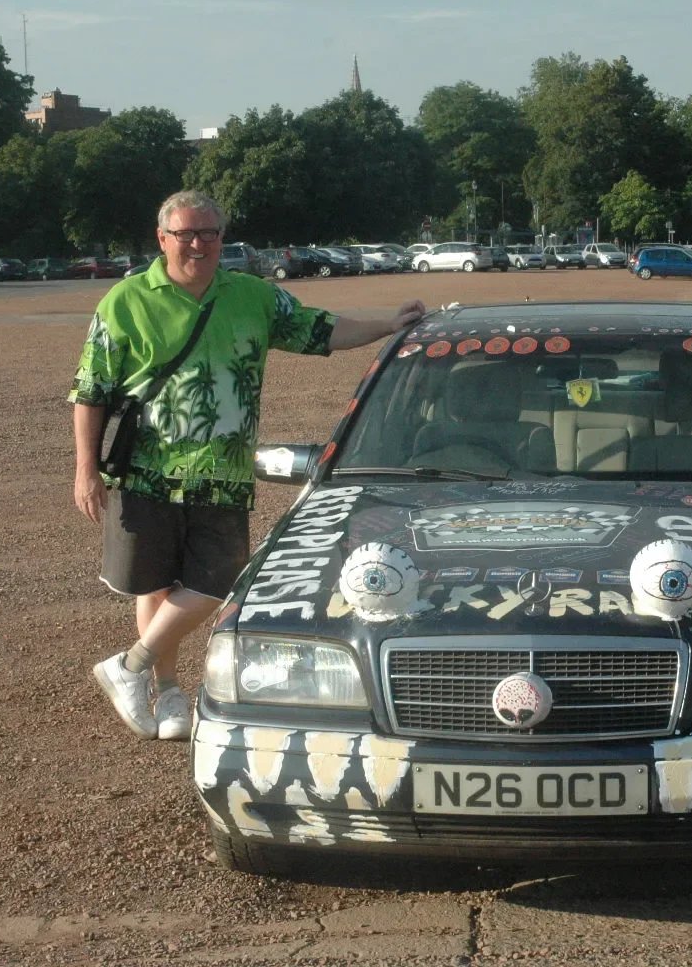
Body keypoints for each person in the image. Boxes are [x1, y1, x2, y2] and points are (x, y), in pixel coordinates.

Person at [69, 189, 425, 741]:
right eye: (186, 234)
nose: (198, 244)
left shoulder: (253, 296)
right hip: (146, 470)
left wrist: (387, 324)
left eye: (209, 233)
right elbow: (90, 390)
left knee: (217, 580)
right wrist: (84, 468)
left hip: (225, 472)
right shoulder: (126, 301)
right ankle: (167, 696)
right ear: (162, 239)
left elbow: (318, 330)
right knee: (157, 585)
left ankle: (131, 665)